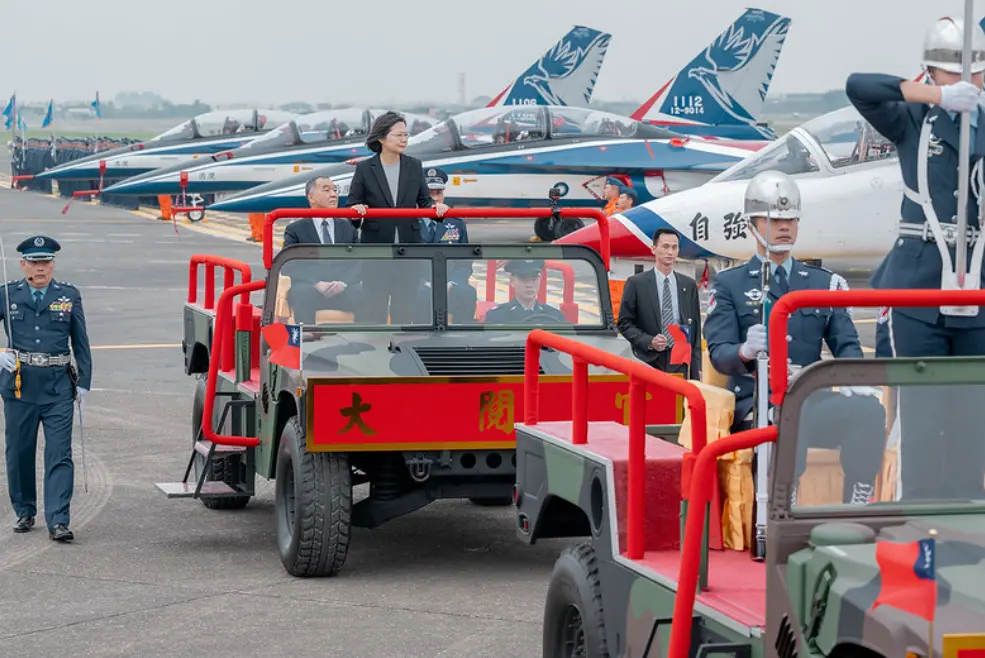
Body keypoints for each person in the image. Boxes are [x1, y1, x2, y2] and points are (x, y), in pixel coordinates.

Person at [845, 16, 985, 499]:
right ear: (931, 70)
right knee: (923, 422)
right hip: (920, 284)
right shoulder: (912, 118)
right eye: (951, 73)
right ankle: (922, 528)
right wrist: (936, 97)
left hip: (977, 284)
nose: (966, 81)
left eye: (975, 72)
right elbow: (860, 87)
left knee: (971, 424)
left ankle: (964, 537)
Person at [703, 170, 885, 505]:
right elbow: (719, 353)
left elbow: (846, 343)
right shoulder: (730, 284)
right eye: (774, 220)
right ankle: (785, 502)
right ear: (751, 226)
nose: (785, 227)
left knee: (868, 409)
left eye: (791, 220)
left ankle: (855, 502)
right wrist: (743, 351)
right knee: (788, 415)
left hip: (810, 400)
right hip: (757, 404)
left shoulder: (821, 282)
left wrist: (853, 377)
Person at [1, 236, 91, 541]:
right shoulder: (7, 294)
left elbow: (81, 343)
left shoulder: (68, 295)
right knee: (19, 453)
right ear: (22, 264)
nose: (41, 268)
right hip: (19, 387)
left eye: (46, 262)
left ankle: (58, 520)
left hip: (57, 388)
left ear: (53, 264)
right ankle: (25, 510)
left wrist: (85, 385)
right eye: (35, 262)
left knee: (60, 454)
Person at [346, 111, 449, 324]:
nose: (404, 139)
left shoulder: (414, 165)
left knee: (405, 306)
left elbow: (424, 201)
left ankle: (401, 351)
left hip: (408, 248)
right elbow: (352, 206)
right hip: (376, 249)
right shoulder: (365, 168)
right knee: (375, 306)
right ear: (382, 138)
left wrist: (436, 208)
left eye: (406, 135)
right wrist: (358, 209)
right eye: (399, 135)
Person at [617, 228, 702, 380]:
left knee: (677, 402)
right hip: (648, 359)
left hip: (679, 359)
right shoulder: (637, 283)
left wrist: (696, 370)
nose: (670, 252)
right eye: (665, 246)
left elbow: (695, 329)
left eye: (674, 248)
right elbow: (624, 323)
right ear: (654, 249)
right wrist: (649, 341)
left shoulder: (688, 285)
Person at [282, 176, 361, 324]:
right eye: (326, 190)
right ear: (311, 198)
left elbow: (359, 262)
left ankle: (366, 341)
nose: (333, 194)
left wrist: (343, 283)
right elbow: (289, 264)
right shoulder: (296, 230)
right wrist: (316, 283)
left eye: (335, 190)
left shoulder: (347, 229)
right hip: (311, 288)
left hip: (342, 289)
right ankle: (307, 341)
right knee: (302, 293)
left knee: (364, 293)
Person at [418, 168, 477, 323]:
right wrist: (424, 282)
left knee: (467, 292)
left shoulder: (456, 222)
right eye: (430, 194)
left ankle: (463, 340)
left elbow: (465, 262)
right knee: (420, 293)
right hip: (420, 282)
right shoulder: (409, 221)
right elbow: (404, 262)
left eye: (438, 193)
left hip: (450, 282)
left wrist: (452, 283)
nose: (435, 199)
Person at [484, 260, 567, 324]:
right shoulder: (497, 317)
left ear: (540, 279)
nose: (529, 285)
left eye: (534, 279)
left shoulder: (555, 316)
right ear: (512, 281)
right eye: (524, 279)